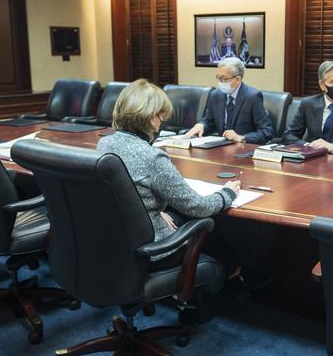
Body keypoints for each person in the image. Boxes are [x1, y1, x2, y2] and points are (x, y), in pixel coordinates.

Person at [97, 79, 241, 258]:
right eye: (161, 116)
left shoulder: (104, 144)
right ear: (151, 118)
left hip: (116, 241)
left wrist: (150, 213)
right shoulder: (152, 157)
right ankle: (232, 276)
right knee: (209, 225)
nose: (161, 122)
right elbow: (197, 207)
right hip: (152, 249)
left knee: (177, 216)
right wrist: (227, 194)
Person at [184, 57, 274, 144]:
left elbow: (267, 132)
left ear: (237, 79)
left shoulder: (252, 97)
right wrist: (202, 125)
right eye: (218, 78)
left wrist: (241, 138)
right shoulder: (216, 95)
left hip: (243, 150)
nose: (220, 82)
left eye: (224, 79)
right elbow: (209, 122)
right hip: (219, 149)